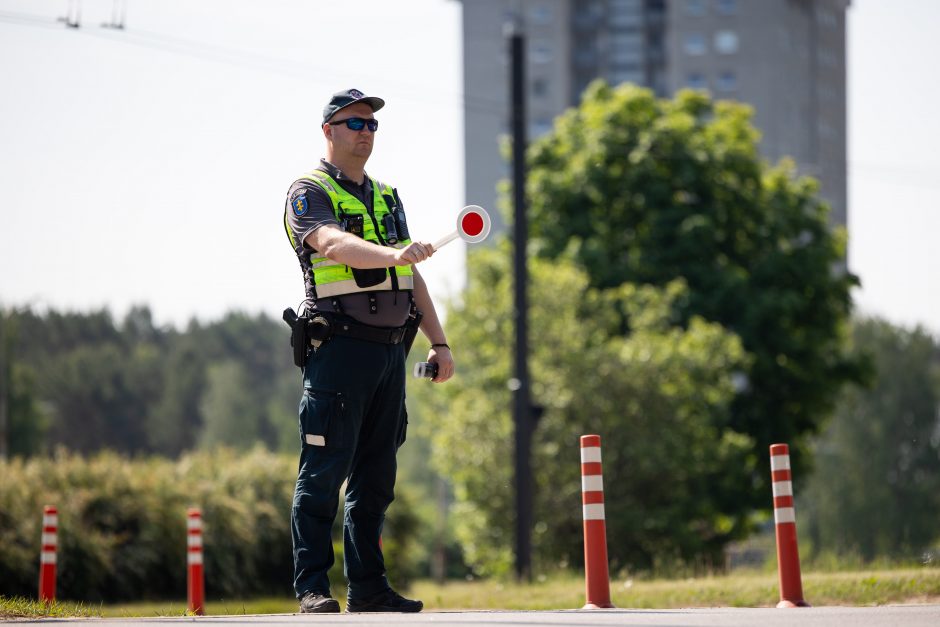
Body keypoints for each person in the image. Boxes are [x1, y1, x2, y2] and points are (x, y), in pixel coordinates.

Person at [282, 88, 454, 614]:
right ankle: (312, 586)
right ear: (328, 131)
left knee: (377, 478)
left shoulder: (386, 194)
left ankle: (369, 588)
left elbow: (412, 275)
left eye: (372, 125)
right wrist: (392, 253)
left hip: (388, 355)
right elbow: (332, 244)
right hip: (338, 351)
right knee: (323, 474)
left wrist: (439, 342)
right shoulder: (307, 191)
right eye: (354, 123)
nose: (365, 132)